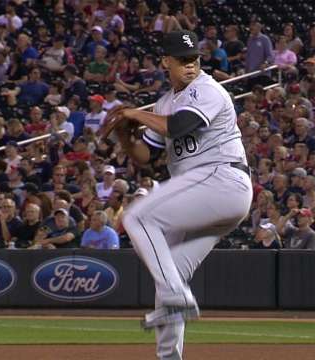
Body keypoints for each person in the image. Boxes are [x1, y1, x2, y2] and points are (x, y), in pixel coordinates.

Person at [100, 30, 252, 360]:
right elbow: (145, 157)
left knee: (136, 217)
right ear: (165, 62)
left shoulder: (208, 90)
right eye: (182, 60)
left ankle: (176, 297)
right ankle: (170, 355)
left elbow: (179, 126)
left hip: (221, 178)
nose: (190, 65)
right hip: (206, 193)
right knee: (170, 272)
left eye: (194, 59)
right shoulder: (165, 102)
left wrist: (133, 113)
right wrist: (126, 138)